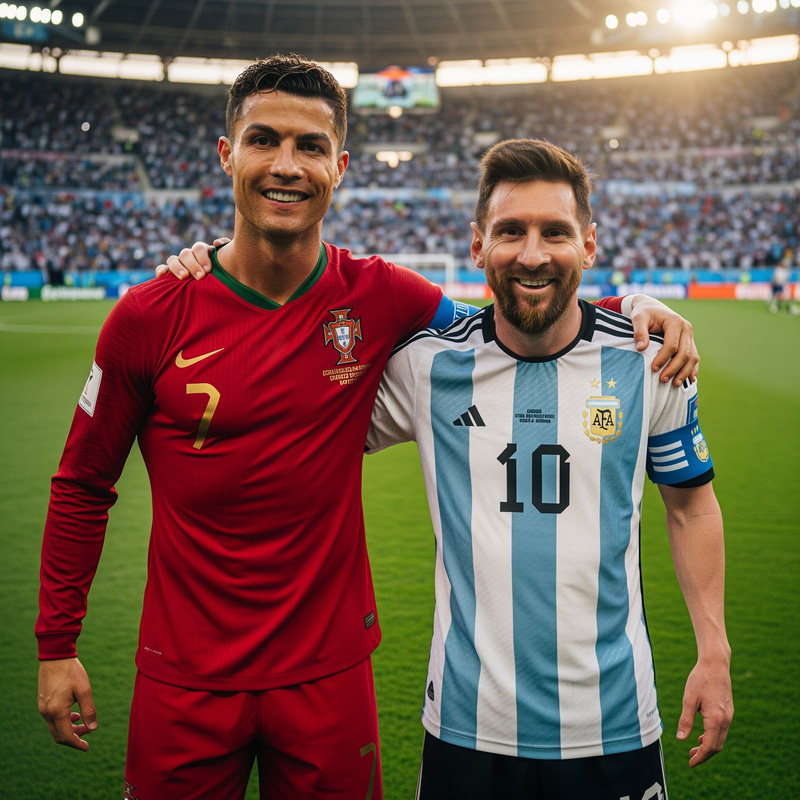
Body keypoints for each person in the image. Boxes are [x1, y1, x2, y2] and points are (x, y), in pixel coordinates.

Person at [36, 54, 698, 800]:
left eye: (310, 146)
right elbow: (83, 483)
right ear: (227, 154)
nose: (287, 165)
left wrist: (636, 306)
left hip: (328, 675)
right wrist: (56, 644)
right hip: (185, 677)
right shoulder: (150, 316)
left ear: (340, 165)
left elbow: (522, 317)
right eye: (264, 140)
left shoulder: (386, 297)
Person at [365, 139, 732, 800]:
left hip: (614, 721)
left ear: (588, 246)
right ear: (478, 245)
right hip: (466, 726)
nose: (532, 254)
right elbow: (303, 420)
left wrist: (715, 650)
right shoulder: (427, 367)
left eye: (554, 233)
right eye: (511, 231)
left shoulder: (651, 359)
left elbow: (691, 505)